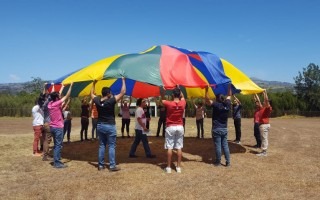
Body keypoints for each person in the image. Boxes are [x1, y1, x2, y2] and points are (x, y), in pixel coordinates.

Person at [91, 78, 126, 171]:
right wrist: (123, 80)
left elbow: (91, 94)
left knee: (102, 145)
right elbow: (123, 92)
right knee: (111, 146)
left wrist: (93, 83)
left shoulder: (97, 101)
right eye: (110, 92)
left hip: (100, 125)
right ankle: (112, 165)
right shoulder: (111, 101)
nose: (111, 94)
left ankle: (101, 165)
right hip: (110, 125)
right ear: (108, 94)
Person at [205, 84, 232, 167]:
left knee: (218, 146)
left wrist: (206, 89)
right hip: (224, 128)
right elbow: (229, 95)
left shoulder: (216, 105)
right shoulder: (227, 104)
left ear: (217, 99)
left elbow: (207, 100)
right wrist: (229, 85)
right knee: (225, 145)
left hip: (216, 128)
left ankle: (218, 161)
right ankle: (228, 162)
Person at [161, 87, 186, 173]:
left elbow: (162, 99)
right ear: (179, 94)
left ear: (172, 95)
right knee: (179, 147)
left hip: (170, 126)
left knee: (170, 147)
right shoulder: (183, 103)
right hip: (179, 126)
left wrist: (163, 92)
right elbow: (182, 97)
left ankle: (168, 168)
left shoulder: (169, 104)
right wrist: (179, 88)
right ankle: (178, 167)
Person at [48, 83, 73, 168]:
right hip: (58, 127)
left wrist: (62, 87)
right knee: (58, 145)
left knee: (56, 144)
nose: (60, 96)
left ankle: (57, 159)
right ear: (56, 98)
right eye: (58, 95)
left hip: (52, 127)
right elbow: (67, 95)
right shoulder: (56, 103)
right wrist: (71, 86)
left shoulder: (50, 104)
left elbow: (55, 94)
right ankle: (57, 163)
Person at [256, 90, 272, 157]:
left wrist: (265, 93)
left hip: (264, 125)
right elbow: (259, 101)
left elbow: (266, 100)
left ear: (268, 103)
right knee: (263, 138)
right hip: (263, 125)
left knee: (264, 138)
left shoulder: (268, 108)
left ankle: (264, 152)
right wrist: (255, 93)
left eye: (265, 102)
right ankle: (263, 151)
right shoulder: (263, 108)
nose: (263, 102)